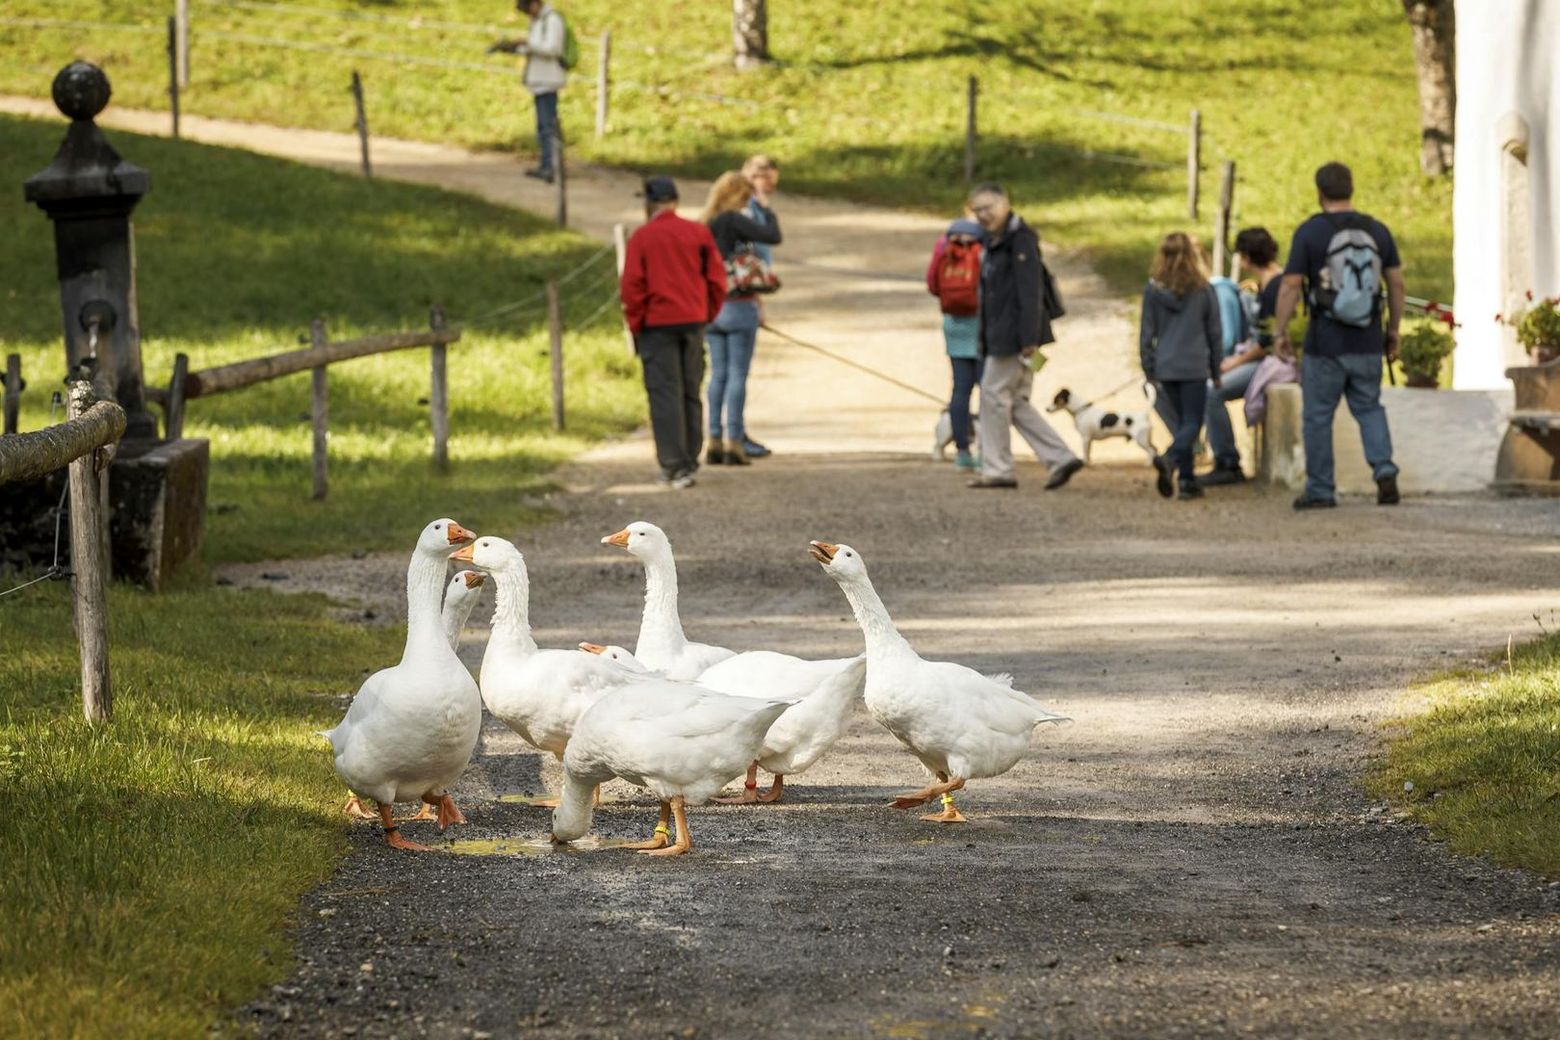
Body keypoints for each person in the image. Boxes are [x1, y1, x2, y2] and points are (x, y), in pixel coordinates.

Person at [1273, 162, 1404, 510]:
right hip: (1367, 339)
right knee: (1369, 407)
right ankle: (1384, 469)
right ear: (1351, 189)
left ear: (1320, 192)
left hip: (1325, 343)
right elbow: (1396, 282)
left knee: (1317, 416)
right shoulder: (1377, 231)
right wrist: (1392, 331)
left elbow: (1289, 285)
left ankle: (1320, 488)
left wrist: (1280, 331)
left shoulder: (1310, 233)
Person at [965, 182, 1082, 491]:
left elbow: (1031, 293)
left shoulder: (1020, 241)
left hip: (1014, 337)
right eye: (977, 210)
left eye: (987, 207)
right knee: (1015, 401)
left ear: (1005, 204)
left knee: (993, 397)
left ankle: (998, 468)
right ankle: (1060, 457)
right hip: (1004, 334)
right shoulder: (997, 241)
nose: (983, 215)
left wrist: (1028, 337)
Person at [619, 177, 727, 488]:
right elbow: (717, 280)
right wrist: (706, 313)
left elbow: (632, 287)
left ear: (649, 203)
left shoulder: (643, 237)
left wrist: (636, 324)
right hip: (693, 321)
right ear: (675, 201)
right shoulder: (697, 232)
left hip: (657, 324)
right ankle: (690, 458)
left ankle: (672, 464)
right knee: (690, 391)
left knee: (664, 394)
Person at [701, 171, 782, 467]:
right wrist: (765, 207)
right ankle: (734, 439)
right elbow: (773, 236)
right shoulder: (734, 221)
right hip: (738, 305)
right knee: (737, 374)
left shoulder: (706, 223)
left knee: (717, 373)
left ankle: (713, 437)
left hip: (712, 308)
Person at [1139, 232, 1222, 500]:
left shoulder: (1153, 290)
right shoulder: (1204, 290)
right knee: (1192, 423)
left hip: (1165, 365)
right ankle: (1171, 460)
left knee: (1180, 424)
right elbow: (1214, 332)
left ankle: (1187, 479)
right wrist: (1217, 368)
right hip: (1194, 365)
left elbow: (1146, 332)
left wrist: (1148, 367)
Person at [1201, 227, 1281, 485]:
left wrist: (1232, 363)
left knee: (1212, 391)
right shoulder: (1272, 281)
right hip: (1261, 357)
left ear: (1245, 258)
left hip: (1269, 361)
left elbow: (1267, 342)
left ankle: (1227, 460)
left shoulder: (1273, 286)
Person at [925, 218, 985, 471]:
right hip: (982, 324)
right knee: (988, 390)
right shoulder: (985, 244)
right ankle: (987, 449)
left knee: (960, 391)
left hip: (954, 325)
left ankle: (962, 451)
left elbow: (932, 284)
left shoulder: (944, 244)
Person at [488, 1, 568, 184]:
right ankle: (545, 163)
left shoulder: (553, 20)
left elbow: (553, 48)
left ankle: (551, 166)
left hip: (548, 80)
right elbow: (536, 48)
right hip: (539, 80)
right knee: (542, 127)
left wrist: (528, 42)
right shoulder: (538, 21)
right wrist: (513, 47)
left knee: (548, 127)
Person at [735, 154, 781, 459]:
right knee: (735, 371)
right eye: (769, 180)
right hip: (742, 295)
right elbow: (754, 257)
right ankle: (733, 433)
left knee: (729, 373)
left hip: (741, 293)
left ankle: (729, 431)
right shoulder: (749, 212)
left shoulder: (744, 209)